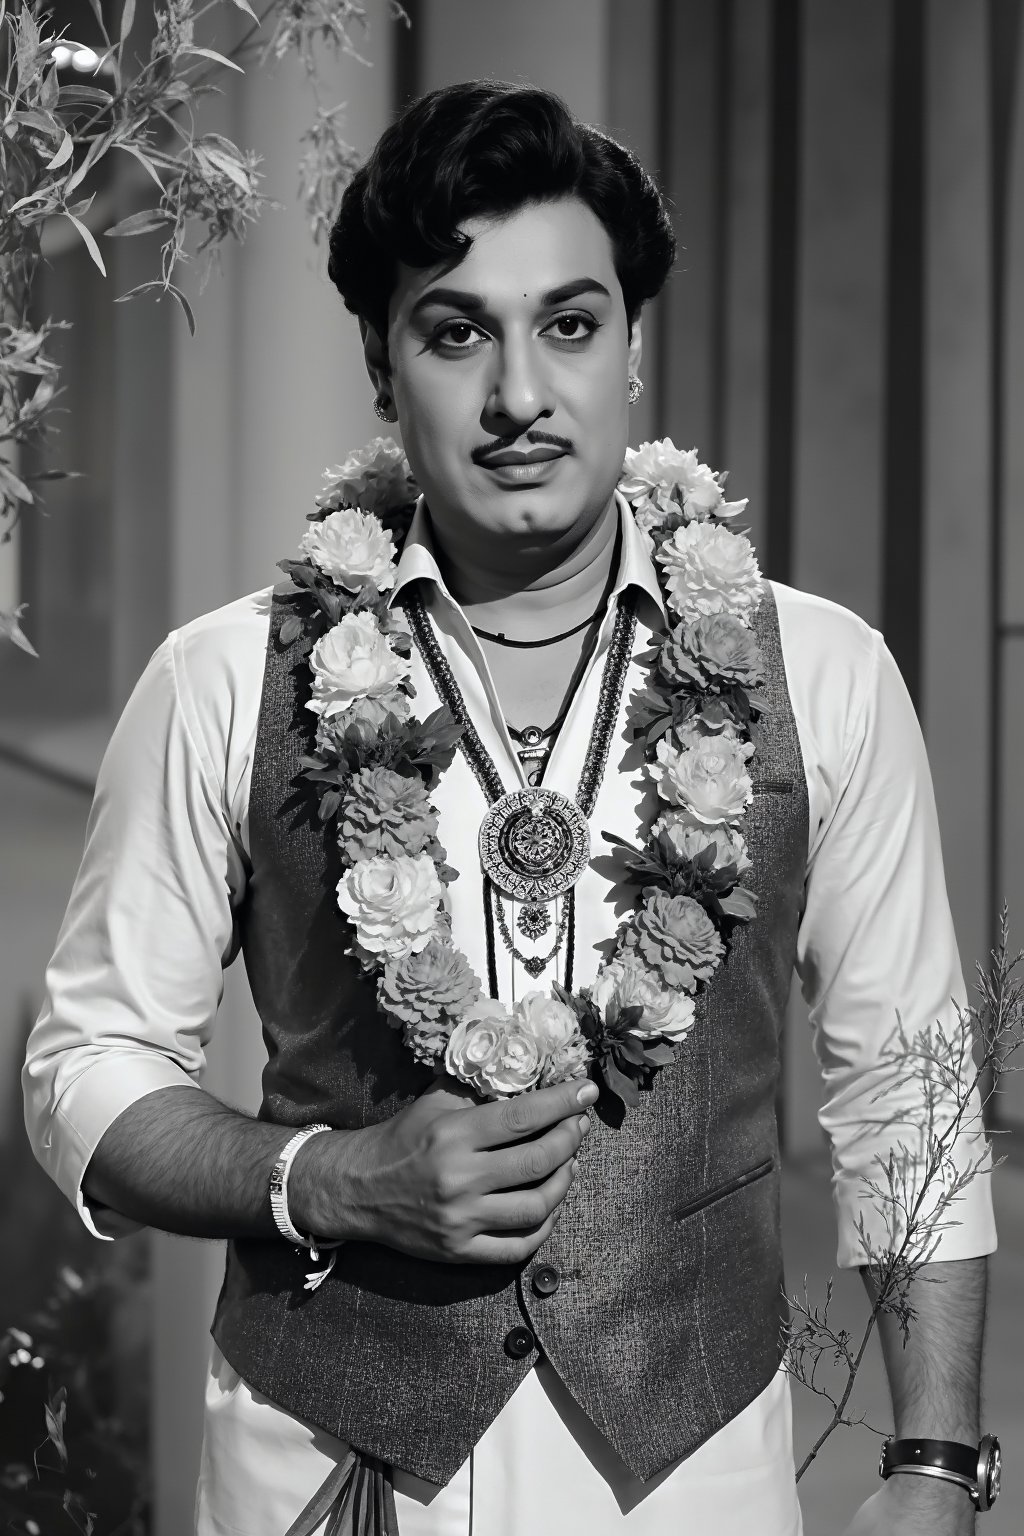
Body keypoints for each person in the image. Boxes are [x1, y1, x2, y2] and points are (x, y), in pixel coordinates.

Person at [23, 81, 997, 1536]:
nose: (521, 397)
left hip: (687, 1478)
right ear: (379, 358)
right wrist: (329, 1181)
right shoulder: (226, 678)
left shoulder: (827, 677)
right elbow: (83, 1069)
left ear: (635, 348)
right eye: (456, 330)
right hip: (327, 1464)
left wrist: (936, 1463)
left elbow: (908, 1091)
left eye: (571, 324)